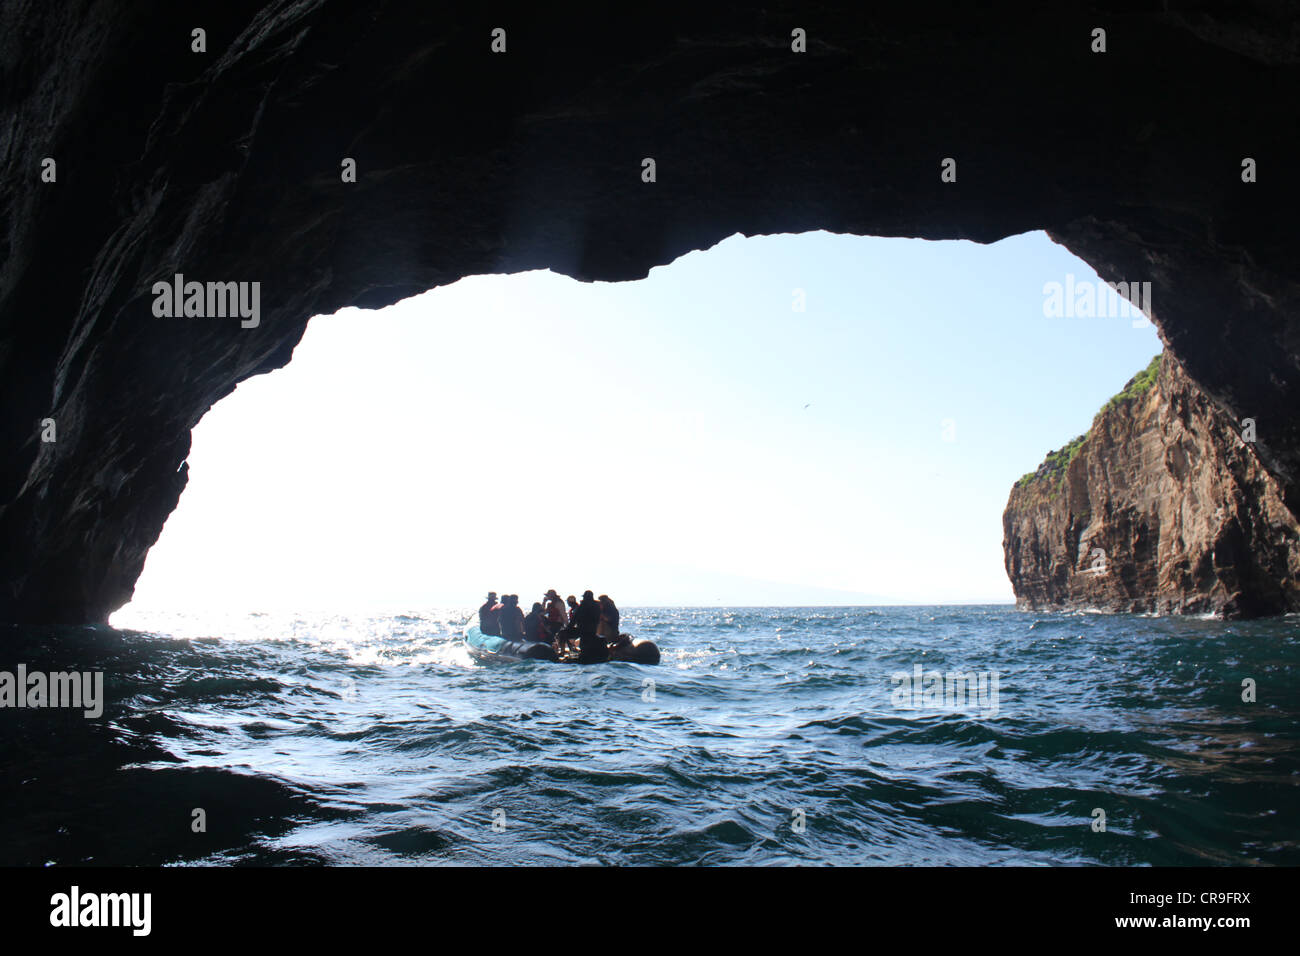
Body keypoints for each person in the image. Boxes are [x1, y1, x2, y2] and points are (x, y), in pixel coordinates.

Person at [575, 590, 606, 663]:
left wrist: (569, 628)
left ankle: (584, 655)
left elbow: (575, 618)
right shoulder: (596, 605)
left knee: (584, 643)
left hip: (583, 630)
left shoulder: (582, 606)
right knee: (589, 640)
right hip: (593, 629)